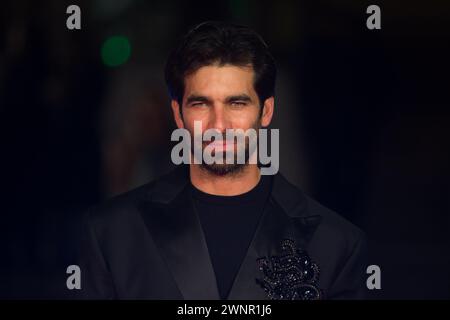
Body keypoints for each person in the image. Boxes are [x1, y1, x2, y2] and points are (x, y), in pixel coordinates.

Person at [77, 21, 367, 300]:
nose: (219, 124)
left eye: (236, 103)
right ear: (178, 114)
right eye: (201, 103)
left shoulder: (335, 244)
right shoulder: (112, 235)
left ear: (265, 112)